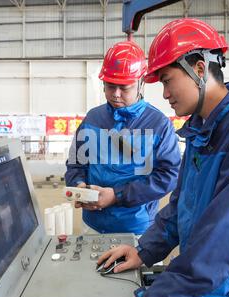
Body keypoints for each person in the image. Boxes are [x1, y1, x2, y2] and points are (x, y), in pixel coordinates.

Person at [97, 18, 229, 297]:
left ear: (199, 68)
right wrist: (143, 251)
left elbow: (224, 246)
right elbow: (181, 208)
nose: (164, 94)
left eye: (167, 80)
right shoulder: (202, 127)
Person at [64, 40, 181, 235]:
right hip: (92, 226)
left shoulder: (158, 125)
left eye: (124, 87)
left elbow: (168, 176)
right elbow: (76, 165)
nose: (116, 94)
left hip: (137, 230)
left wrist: (116, 196)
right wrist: (79, 187)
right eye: (110, 86)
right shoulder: (93, 119)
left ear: (140, 83)